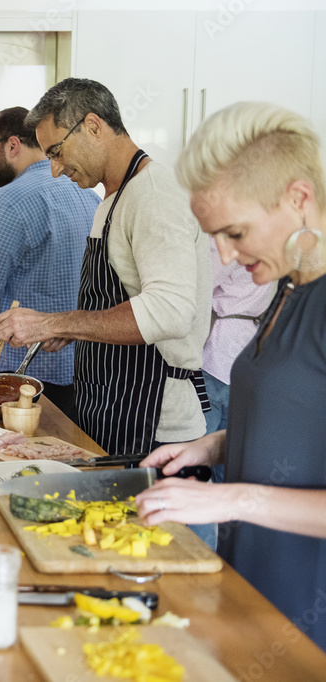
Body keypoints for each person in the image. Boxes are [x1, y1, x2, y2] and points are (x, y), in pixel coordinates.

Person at [136, 102, 326, 652]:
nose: (223, 254)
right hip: (256, 603)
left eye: (234, 232)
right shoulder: (289, 288)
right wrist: (215, 446)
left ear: (298, 198)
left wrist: (230, 501)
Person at [0, 78, 212, 456]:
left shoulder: (153, 195)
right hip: (112, 413)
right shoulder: (114, 199)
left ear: (93, 126)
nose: (54, 170)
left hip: (153, 426)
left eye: (57, 151)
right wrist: (76, 327)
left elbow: (170, 312)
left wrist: (55, 323)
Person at [0, 106, 99, 420]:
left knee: (20, 458)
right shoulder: (86, 193)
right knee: (60, 455)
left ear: (12, 145)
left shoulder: (10, 199)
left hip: (27, 375)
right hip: (83, 368)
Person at [202, 242, 275, 434]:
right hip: (245, 350)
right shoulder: (270, 242)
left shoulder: (232, 240)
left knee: (200, 441)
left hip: (215, 352)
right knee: (225, 446)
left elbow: (200, 284)